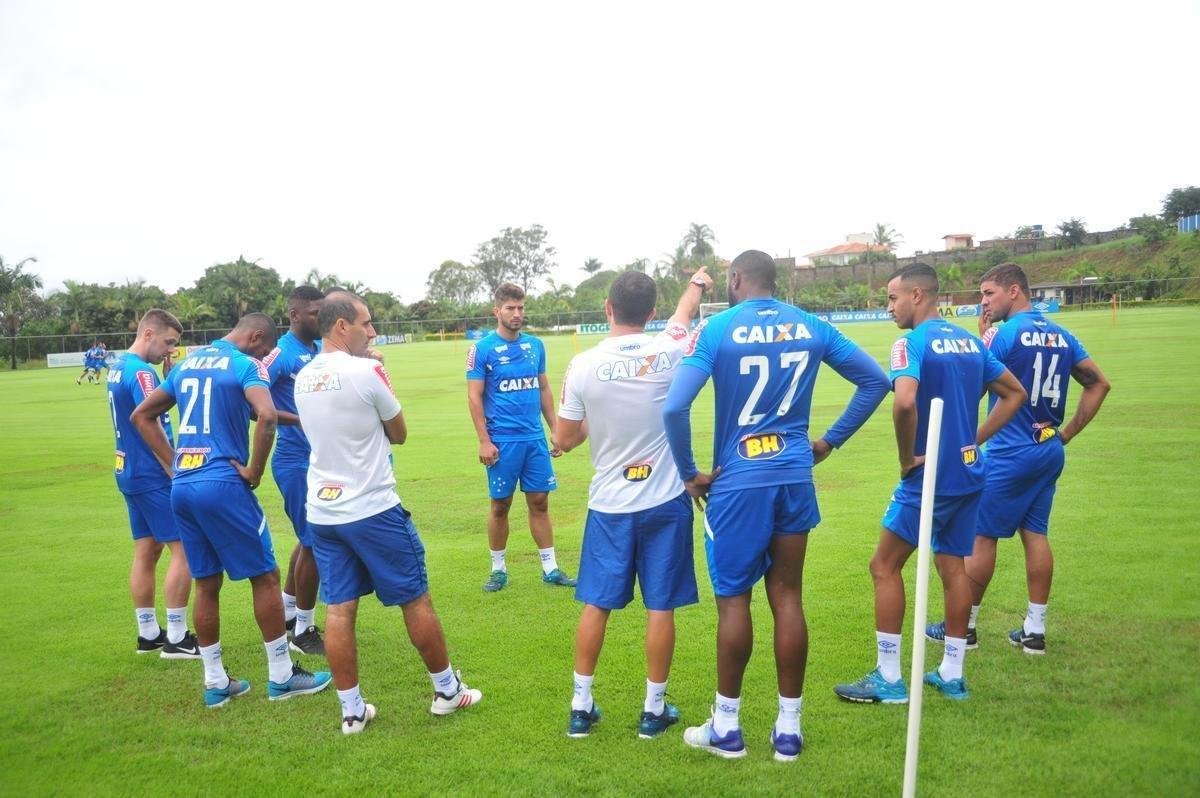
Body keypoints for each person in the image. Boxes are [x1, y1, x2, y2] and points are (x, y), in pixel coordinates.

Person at [663, 250, 891, 761]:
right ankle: (788, 731)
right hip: (793, 475)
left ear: (737, 279)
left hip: (739, 481)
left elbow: (675, 405)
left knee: (734, 600)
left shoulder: (718, 328)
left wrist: (688, 473)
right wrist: (828, 442)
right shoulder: (812, 325)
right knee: (787, 595)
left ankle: (727, 728)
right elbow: (876, 381)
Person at [834, 263, 1025, 706]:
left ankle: (887, 677)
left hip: (929, 477)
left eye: (892, 298)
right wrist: (973, 439)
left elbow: (903, 403)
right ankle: (952, 674)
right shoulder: (969, 340)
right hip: (970, 471)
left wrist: (907, 460)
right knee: (953, 567)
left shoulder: (909, 344)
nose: (888, 308)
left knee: (883, 566)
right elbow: (1014, 393)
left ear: (917, 295)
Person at [296, 291, 482, 735]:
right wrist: (379, 373)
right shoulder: (367, 371)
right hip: (373, 507)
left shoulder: (304, 375)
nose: (373, 331)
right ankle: (447, 691)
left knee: (339, 611)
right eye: (366, 323)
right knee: (415, 598)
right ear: (342, 326)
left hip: (323, 509)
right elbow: (398, 433)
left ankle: (352, 711)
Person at [131, 313, 331, 708]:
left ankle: (215, 682)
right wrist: (255, 470)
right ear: (256, 338)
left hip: (184, 486)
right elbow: (267, 415)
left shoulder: (188, 363)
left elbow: (142, 415)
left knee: (207, 583)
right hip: (223, 482)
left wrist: (173, 463)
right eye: (264, 349)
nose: (264, 356)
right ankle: (282, 675)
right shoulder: (246, 365)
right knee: (266, 578)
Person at [555, 267, 713, 740]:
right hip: (666, 499)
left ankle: (580, 708)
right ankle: (652, 711)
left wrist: (593, 419)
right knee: (660, 606)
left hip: (609, 504)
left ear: (607, 307)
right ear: (650, 312)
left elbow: (564, 437)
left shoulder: (582, 365)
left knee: (596, 604)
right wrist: (698, 285)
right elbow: (683, 317)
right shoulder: (672, 350)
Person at [925, 263, 1110, 655]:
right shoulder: (1062, 334)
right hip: (1047, 448)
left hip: (1009, 452)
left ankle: (966, 628)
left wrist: (962, 436)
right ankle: (1035, 631)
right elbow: (1099, 383)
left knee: (981, 535)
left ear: (1014, 291)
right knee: (1035, 533)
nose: (984, 303)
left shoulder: (1004, 333)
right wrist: (1066, 434)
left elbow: (976, 383)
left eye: (988, 293)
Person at [466, 282, 575, 592]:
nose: (517, 314)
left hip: (534, 439)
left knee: (540, 502)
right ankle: (498, 569)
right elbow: (474, 397)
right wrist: (484, 440)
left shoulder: (535, 345)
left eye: (521, 308)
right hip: (502, 441)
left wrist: (555, 428)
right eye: (510, 308)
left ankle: (550, 568)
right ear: (496, 311)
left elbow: (543, 388)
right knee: (500, 505)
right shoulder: (482, 349)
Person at [107, 309, 198, 659]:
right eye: (168, 342)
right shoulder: (141, 373)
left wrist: (167, 380)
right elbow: (149, 421)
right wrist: (174, 467)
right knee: (185, 550)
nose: (170, 350)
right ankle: (176, 636)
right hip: (151, 473)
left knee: (147, 551)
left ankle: (148, 633)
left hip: (126, 469)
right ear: (148, 333)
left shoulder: (118, 367)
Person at [263, 285, 327, 656]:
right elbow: (253, 400)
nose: (322, 318)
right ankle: (303, 629)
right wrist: (298, 419)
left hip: (317, 461)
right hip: (294, 462)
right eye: (316, 313)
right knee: (316, 542)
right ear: (294, 315)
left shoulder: (316, 351)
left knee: (308, 540)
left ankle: (289, 610)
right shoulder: (281, 355)